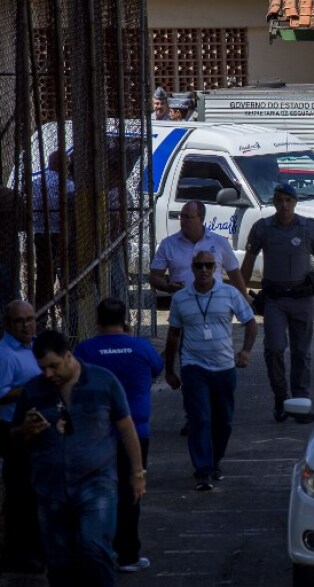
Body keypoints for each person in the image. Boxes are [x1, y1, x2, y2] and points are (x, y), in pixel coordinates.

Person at [11, 329, 145, 587]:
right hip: (51, 488)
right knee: (59, 559)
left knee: (94, 547)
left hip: (96, 483)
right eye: (42, 368)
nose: (48, 374)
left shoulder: (103, 381)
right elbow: (14, 437)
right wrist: (24, 431)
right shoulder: (34, 390)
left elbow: (126, 427)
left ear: (69, 356)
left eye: (53, 366)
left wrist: (137, 473)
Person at [74, 298, 163, 573]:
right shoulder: (141, 347)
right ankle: (128, 554)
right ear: (126, 320)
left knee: (97, 491)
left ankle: (99, 549)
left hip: (97, 432)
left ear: (97, 321)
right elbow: (157, 369)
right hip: (136, 432)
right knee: (131, 490)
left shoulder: (85, 350)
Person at [240, 184, 314, 423]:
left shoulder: (308, 228)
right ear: (273, 202)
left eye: (288, 200)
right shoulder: (262, 228)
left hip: (303, 299)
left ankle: (301, 401)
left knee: (301, 352)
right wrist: (239, 295)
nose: (284, 205)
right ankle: (280, 397)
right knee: (273, 348)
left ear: (295, 202)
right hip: (275, 299)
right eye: (279, 200)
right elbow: (247, 262)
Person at [149, 200, 249, 436]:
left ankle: (214, 411)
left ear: (201, 219)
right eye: (182, 216)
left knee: (216, 360)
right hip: (185, 312)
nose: (183, 220)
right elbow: (154, 276)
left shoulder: (218, 243)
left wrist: (243, 302)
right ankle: (193, 414)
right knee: (190, 363)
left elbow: (235, 274)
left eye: (188, 217)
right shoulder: (169, 244)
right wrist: (168, 285)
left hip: (216, 313)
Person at [164, 251, 256, 491]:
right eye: (199, 266)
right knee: (199, 419)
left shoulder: (229, 293)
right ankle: (202, 470)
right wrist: (170, 370)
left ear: (215, 268)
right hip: (194, 367)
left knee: (223, 421)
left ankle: (215, 461)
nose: (204, 270)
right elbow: (173, 335)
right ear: (192, 268)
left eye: (208, 265)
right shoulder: (181, 298)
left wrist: (245, 351)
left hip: (224, 367)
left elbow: (251, 323)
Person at [0, 300, 44, 573]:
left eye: (30, 318)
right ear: (8, 324)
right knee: (20, 493)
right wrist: (32, 388)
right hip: (13, 431)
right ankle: (19, 554)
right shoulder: (5, 354)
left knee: (36, 491)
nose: (27, 325)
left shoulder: (36, 347)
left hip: (37, 430)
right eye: (20, 321)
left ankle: (36, 548)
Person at [33, 150, 75, 323]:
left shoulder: (36, 183)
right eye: (67, 164)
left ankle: (41, 317)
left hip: (41, 233)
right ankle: (68, 315)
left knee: (44, 277)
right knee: (67, 276)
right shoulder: (69, 186)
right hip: (61, 234)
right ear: (62, 165)